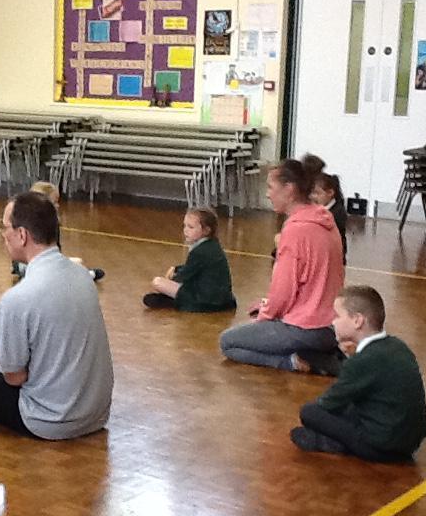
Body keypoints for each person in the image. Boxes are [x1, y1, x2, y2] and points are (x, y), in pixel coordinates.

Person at [0, 191, 114, 439]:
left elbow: (15, 378)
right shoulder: (81, 275)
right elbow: (30, 317)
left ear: (22, 235)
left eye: (5, 228)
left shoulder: (19, 298)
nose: (3, 236)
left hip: (49, 421)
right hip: (95, 415)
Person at [220, 157, 345, 375]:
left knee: (228, 342)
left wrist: (265, 317)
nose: (267, 194)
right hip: (333, 325)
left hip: (306, 328)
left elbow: (283, 292)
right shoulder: (326, 219)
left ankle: (295, 362)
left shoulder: (295, 230)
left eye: (270, 187)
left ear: (289, 189)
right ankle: (317, 354)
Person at [291, 286, 426, 462]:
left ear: (357, 321)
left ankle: (335, 444)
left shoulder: (362, 361)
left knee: (309, 412)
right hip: (410, 441)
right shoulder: (398, 346)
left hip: (380, 446)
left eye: (337, 316)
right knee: (352, 405)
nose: (333, 322)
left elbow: (328, 403)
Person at [142, 207, 236, 312]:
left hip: (206, 301)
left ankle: (175, 300)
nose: (185, 230)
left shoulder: (199, 251)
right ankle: (172, 298)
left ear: (206, 230)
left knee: (157, 282)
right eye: (185, 226)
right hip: (222, 299)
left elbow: (184, 276)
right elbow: (195, 268)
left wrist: (172, 278)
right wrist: (176, 269)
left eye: (191, 227)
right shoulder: (212, 244)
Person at [12, 181, 104, 282]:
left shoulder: (53, 224)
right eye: (54, 202)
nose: (58, 206)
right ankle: (87, 274)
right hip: (28, 264)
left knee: (74, 262)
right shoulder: (27, 223)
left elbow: (56, 250)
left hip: (43, 262)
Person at [310, 172, 347, 265]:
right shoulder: (318, 209)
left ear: (330, 193)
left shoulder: (337, 212)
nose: (313, 197)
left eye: (317, 193)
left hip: (332, 257)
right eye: (312, 193)